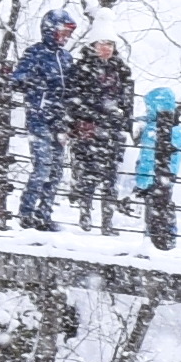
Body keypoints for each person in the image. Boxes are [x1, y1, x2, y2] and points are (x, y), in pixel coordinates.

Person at [10, 12, 84, 228]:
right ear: (50, 30)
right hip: (39, 120)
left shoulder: (66, 57)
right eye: (62, 32)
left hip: (60, 123)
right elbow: (18, 79)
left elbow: (73, 86)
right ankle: (26, 212)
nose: (65, 37)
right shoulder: (35, 53)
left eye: (68, 34)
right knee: (42, 167)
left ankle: (44, 215)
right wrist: (32, 84)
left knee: (56, 171)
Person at [61, 32, 133, 230]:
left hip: (112, 129)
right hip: (89, 128)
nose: (107, 48)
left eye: (110, 43)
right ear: (93, 44)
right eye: (103, 43)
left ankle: (107, 221)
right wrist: (95, 115)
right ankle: (85, 214)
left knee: (111, 176)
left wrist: (122, 117)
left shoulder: (121, 70)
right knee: (89, 174)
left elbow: (127, 101)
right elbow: (74, 99)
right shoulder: (81, 70)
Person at [129, 82, 181, 247]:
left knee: (153, 209)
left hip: (153, 176)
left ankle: (154, 238)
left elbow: (148, 157)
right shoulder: (176, 128)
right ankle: (167, 235)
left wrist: (142, 182)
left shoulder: (154, 129)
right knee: (164, 204)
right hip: (168, 175)